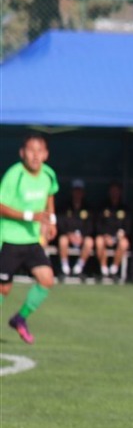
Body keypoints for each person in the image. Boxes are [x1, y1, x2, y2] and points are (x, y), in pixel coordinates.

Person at [0, 133, 58, 343]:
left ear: (46, 154)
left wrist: (51, 221)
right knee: (3, 288)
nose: (35, 155)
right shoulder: (14, 175)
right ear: (22, 153)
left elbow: (50, 194)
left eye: (39, 151)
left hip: (32, 241)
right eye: (31, 150)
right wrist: (29, 216)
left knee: (47, 279)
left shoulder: (48, 174)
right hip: (9, 240)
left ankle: (20, 318)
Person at [55, 178, 95, 280]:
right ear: (72, 192)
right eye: (75, 191)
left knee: (89, 241)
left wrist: (82, 236)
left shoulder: (88, 207)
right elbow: (60, 223)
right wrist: (69, 234)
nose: (77, 193)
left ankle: (78, 269)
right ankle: (65, 269)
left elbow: (91, 225)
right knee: (62, 240)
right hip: (68, 236)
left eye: (79, 191)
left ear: (83, 192)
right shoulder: (64, 207)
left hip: (82, 237)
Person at [95, 182, 132, 283]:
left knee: (124, 243)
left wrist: (120, 234)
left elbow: (128, 227)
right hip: (105, 236)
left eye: (116, 191)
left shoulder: (125, 208)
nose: (114, 193)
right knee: (99, 241)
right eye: (112, 191)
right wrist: (105, 235)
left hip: (118, 237)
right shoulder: (103, 207)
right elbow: (97, 224)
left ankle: (114, 270)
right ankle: (104, 270)